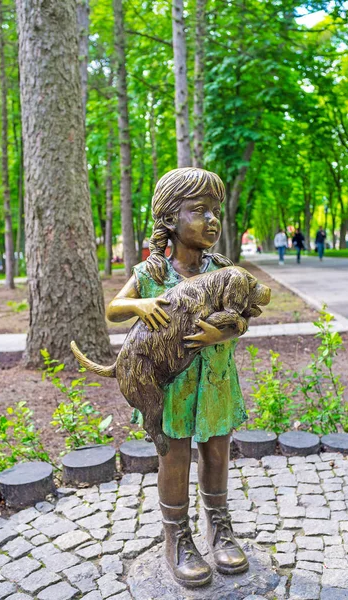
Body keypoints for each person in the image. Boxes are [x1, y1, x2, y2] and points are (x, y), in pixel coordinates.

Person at [106, 168, 249, 587]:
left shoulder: (223, 268)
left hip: (217, 378)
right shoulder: (153, 274)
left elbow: (243, 317)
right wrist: (140, 305)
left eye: (215, 211)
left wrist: (226, 329)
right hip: (171, 385)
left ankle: (219, 527)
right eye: (199, 211)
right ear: (170, 219)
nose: (211, 220)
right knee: (174, 455)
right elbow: (113, 308)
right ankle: (177, 536)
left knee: (218, 452)